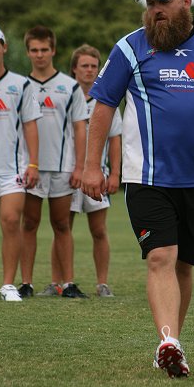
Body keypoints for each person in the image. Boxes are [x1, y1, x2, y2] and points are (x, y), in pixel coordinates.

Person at [81, 0, 194, 379]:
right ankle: (168, 342)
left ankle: (171, 341)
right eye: (150, 4)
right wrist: (92, 165)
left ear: (185, 2)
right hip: (146, 178)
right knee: (161, 257)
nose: (155, 11)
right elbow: (103, 105)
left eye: (162, 3)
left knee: (184, 267)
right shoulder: (129, 48)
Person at [40, 44, 122, 297]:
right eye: (84, 66)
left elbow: (115, 138)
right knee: (62, 226)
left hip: (99, 175)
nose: (89, 71)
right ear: (74, 69)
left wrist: (116, 174)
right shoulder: (65, 97)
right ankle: (59, 282)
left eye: (93, 66)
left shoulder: (106, 100)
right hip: (70, 175)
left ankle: (102, 284)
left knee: (99, 230)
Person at [18, 26, 88, 299]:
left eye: (44, 49)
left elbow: (80, 128)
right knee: (30, 224)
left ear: (53, 50)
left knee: (62, 225)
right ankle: (26, 283)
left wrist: (80, 167)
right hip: (31, 168)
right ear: (28, 52)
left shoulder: (70, 86)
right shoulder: (22, 85)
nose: (39, 55)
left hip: (63, 167)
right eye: (34, 50)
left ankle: (67, 284)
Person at [0, 25, 41, 302]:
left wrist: (33, 165)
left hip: (13, 169)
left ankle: (9, 284)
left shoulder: (21, 84)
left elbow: (31, 126)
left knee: (11, 221)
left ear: (4, 48)